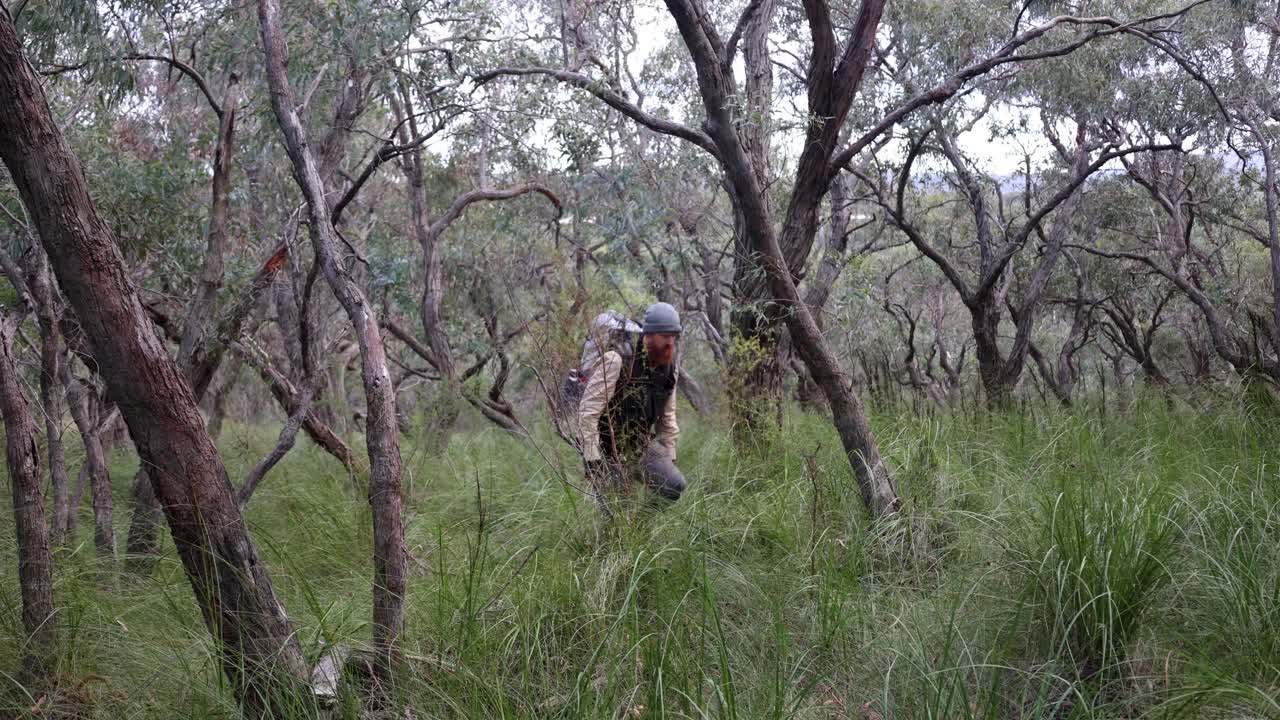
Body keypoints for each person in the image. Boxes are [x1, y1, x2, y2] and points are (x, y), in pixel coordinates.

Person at [578, 302, 686, 513]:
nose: (670, 342)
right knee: (618, 511)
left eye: (674, 336)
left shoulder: (670, 369)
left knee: (674, 486)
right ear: (648, 335)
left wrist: (669, 456)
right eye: (665, 336)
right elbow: (587, 413)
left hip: (640, 447)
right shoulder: (616, 361)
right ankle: (615, 538)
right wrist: (593, 460)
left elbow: (668, 417)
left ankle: (642, 526)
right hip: (606, 451)